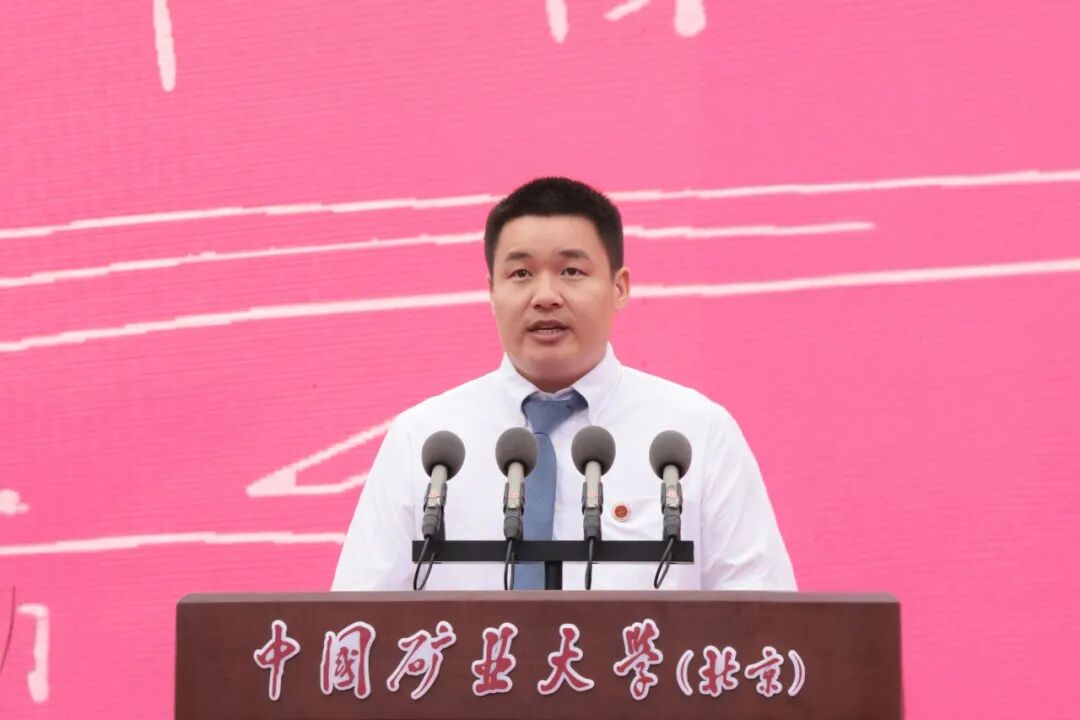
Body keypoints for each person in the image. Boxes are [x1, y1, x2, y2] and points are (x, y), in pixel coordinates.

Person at [331, 177, 796, 591]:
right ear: (491, 291)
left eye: (571, 271)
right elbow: (356, 621)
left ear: (619, 287)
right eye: (520, 274)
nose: (546, 296)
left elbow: (762, 615)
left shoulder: (696, 432)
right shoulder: (423, 439)